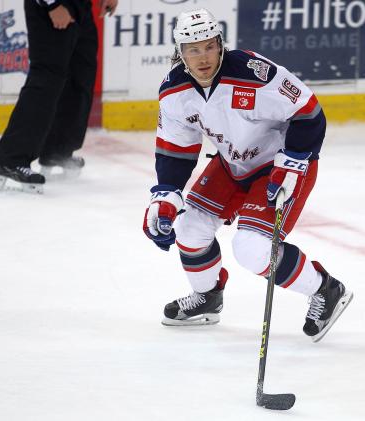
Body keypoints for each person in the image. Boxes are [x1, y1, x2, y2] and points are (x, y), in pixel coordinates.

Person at [143, 9, 353, 342]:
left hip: (280, 168)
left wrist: (295, 160)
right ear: (179, 53)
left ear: (220, 45)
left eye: (209, 46)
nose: (202, 57)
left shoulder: (255, 74)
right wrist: (166, 193)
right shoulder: (174, 92)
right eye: (193, 49)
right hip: (232, 164)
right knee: (188, 227)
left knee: (252, 249)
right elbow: (175, 147)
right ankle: (208, 297)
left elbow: (309, 113)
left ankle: (325, 289)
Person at [0, 0, 118, 194]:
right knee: (46, 80)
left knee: (80, 76)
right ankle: (11, 159)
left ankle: (57, 150)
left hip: (80, 6)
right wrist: (52, 5)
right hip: (51, 7)